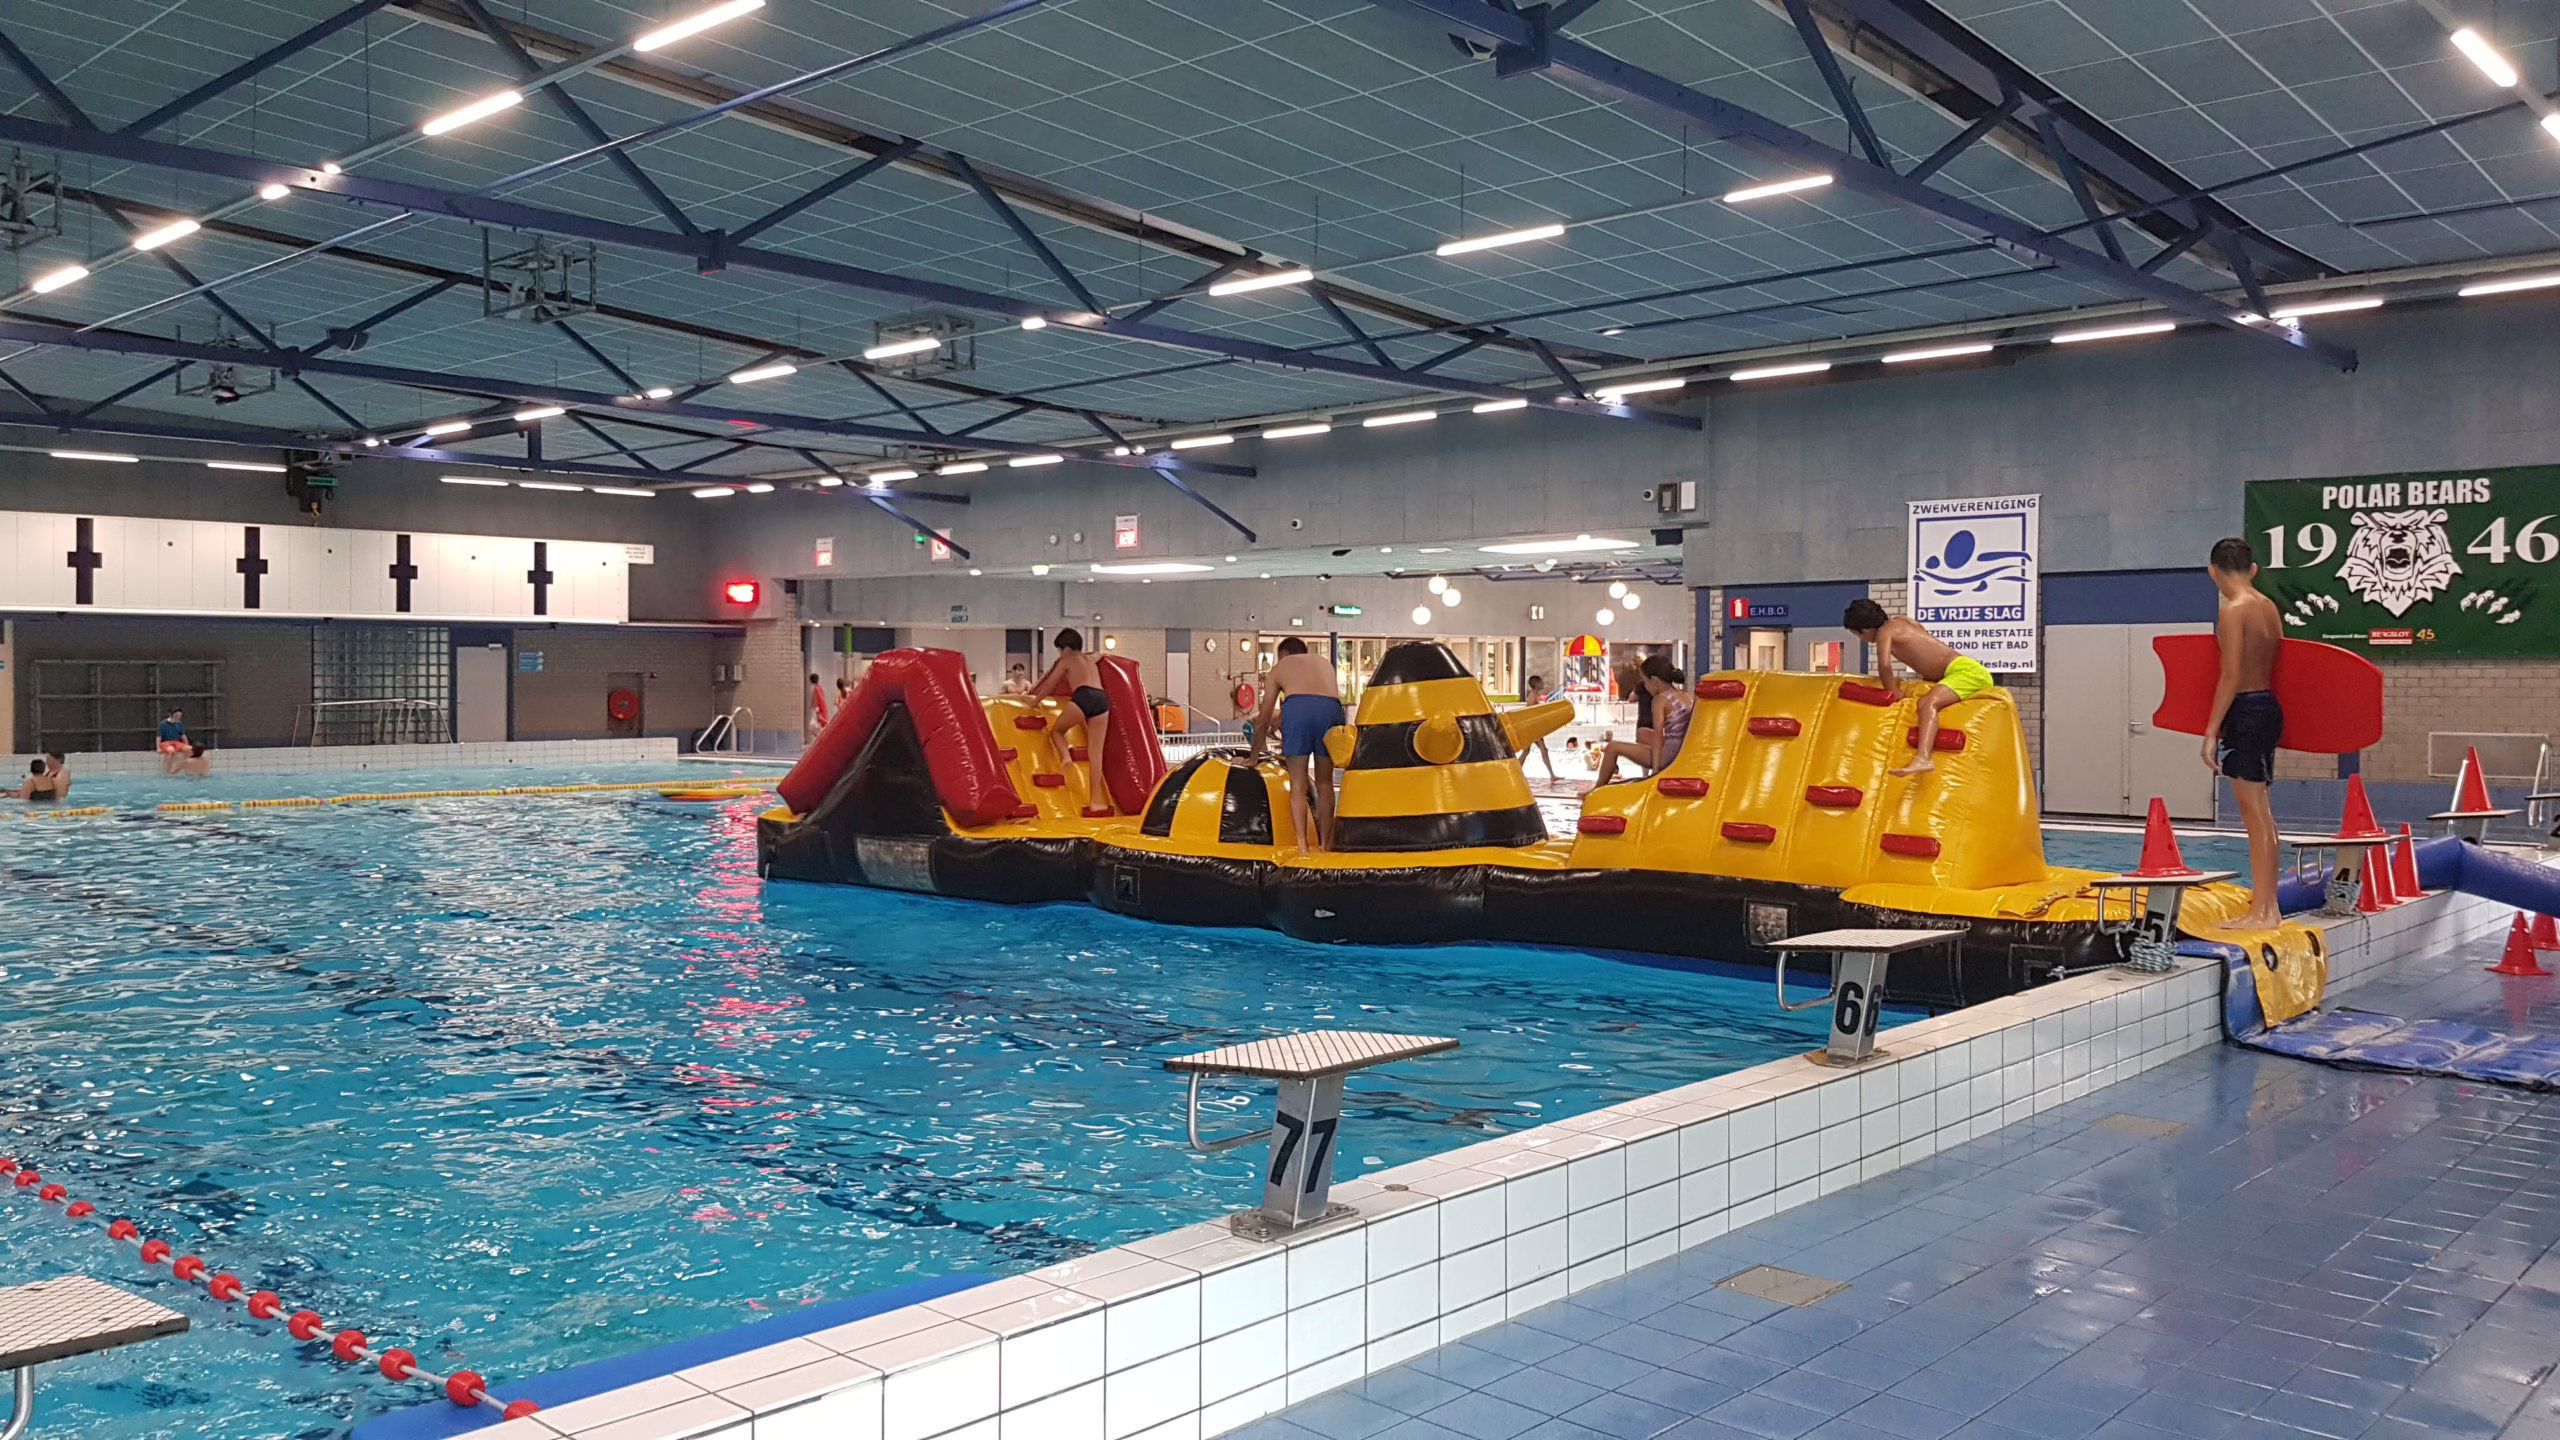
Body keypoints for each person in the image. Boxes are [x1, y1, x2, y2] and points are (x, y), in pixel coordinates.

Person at [2203, 536, 2285, 930]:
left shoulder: (2232, 610)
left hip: (2246, 711)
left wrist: (2210, 732)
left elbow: (2231, 675)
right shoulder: (2268, 606)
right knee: (2263, 813)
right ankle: (2269, 907)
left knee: (2254, 816)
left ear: (2213, 572)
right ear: (2253, 570)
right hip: (2268, 706)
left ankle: (2262, 912)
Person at [1843, 599, 1995, 777]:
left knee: (1927, 704)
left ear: (1866, 630)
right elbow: (1926, 653)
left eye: (1857, 635)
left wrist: (1892, 692)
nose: (1862, 639)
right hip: (1959, 669)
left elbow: (1884, 664)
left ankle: (1924, 758)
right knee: (1926, 702)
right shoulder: (1903, 621)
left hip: (1966, 672)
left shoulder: (1884, 633)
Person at [1250, 637, 1347, 852]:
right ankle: (1326, 844)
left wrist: (1253, 756)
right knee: (1325, 782)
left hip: (1298, 708)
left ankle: (1303, 845)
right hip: (1331, 709)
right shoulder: (1324, 663)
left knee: (1298, 782)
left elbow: (1263, 718)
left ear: (1284, 655)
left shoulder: (1280, 667)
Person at [1031, 629, 1112, 811]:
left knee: (1057, 731)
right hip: (1102, 698)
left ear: (1066, 648)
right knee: (1096, 754)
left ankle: (1066, 757)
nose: (1060, 654)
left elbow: (1050, 684)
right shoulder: (1090, 659)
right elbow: (1099, 654)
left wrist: (1035, 701)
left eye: (1060, 650)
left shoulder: (1066, 660)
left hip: (1084, 695)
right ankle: (1095, 802)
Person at [1593, 658, 1690, 784]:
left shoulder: (1660, 700)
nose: (1645, 686)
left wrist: (1656, 770)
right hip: (1682, 748)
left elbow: (1658, 735)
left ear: (1654, 680)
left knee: (1612, 747)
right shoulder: (1684, 695)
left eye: (1645, 681)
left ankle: (1596, 789)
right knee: (1642, 733)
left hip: (1670, 754)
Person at [1520, 674, 1559, 783]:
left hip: (1532, 728)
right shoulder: (1533, 697)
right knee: (1541, 750)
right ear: (1536, 684)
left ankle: (1552, 775)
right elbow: (1530, 714)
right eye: (1541, 682)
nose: (1543, 683)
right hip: (1532, 728)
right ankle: (1552, 775)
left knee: (1527, 751)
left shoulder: (1534, 696)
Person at [157, 708, 190, 773]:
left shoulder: (179, 724)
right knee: (172, 751)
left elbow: (183, 735)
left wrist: (187, 744)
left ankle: (184, 768)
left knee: (190, 749)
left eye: (179, 716)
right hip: (166, 743)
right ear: (171, 715)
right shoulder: (163, 724)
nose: (178, 718)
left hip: (176, 742)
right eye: (176, 716)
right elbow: (159, 737)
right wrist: (158, 748)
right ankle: (168, 770)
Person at [806, 673, 831, 739]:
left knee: (812, 727)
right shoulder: (818, 687)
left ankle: (821, 737)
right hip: (816, 709)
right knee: (814, 726)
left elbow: (817, 698)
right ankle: (821, 736)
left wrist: (817, 707)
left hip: (816, 709)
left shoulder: (816, 688)